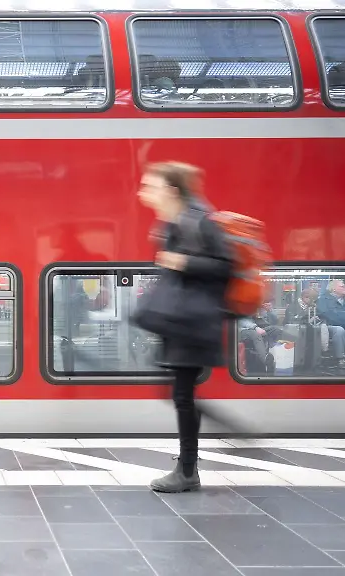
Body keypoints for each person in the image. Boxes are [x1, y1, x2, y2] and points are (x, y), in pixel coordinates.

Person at [136, 161, 234, 493]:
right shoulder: (174, 222)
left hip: (192, 321)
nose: (143, 192)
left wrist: (182, 261)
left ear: (171, 191)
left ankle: (188, 470)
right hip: (180, 321)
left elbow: (225, 265)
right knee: (179, 395)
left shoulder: (199, 220)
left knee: (180, 395)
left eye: (150, 186)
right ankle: (189, 466)